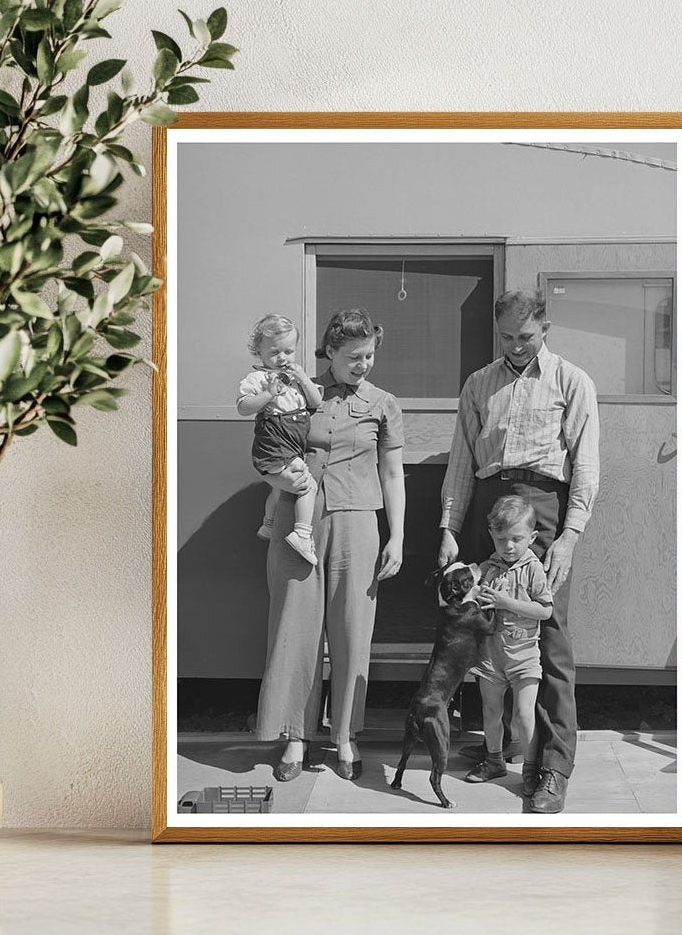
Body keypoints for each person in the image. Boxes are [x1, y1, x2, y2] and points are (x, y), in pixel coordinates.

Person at [438, 288, 599, 814]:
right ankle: (496, 749)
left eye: (526, 336)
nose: (517, 345)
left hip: (544, 510)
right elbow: (462, 460)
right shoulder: (479, 384)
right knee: (482, 629)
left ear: (545, 326)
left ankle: (550, 766)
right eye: (507, 337)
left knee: (548, 638)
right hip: (490, 503)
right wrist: (449, 527)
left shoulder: (572, 382)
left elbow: (586, 468)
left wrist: (569, 537)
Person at [256, 308, 405, 782]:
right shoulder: (298, 392)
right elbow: (272, 446)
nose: (364, 364)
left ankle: (345, 735)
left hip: (358, 523)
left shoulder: (384, 403)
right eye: (354, 356)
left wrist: (397, 535)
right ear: (331, 353)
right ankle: (295, 737)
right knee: (294, 629)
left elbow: (393, 473)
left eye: (370, 356)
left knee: (351, 631)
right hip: (298, 520)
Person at [465, 495, 552, 798]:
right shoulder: (487, 568)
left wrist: (507, 602)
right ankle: (493, 761)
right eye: (502, 539)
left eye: (517, 538)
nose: (509, 546)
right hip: (491, 655)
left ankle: (530, 768)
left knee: (523, 715)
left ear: (532, 537)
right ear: (492, 535)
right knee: (490, 711)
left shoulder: (533, 569)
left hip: (524, 656)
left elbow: (545, 610)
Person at [237, 314, 323, 565]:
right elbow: (243, 407)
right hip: (277, 443)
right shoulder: (257, 379)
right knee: (308, 486)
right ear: (259, 351)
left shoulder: (297, 379)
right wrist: (267, 394)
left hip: (293, 444)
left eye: (289, 351)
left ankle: (268, 524)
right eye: (275, 352)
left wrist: (304, 379)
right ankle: (302, 534)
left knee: (277, 487)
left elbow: (315, 402)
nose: (282, 358)